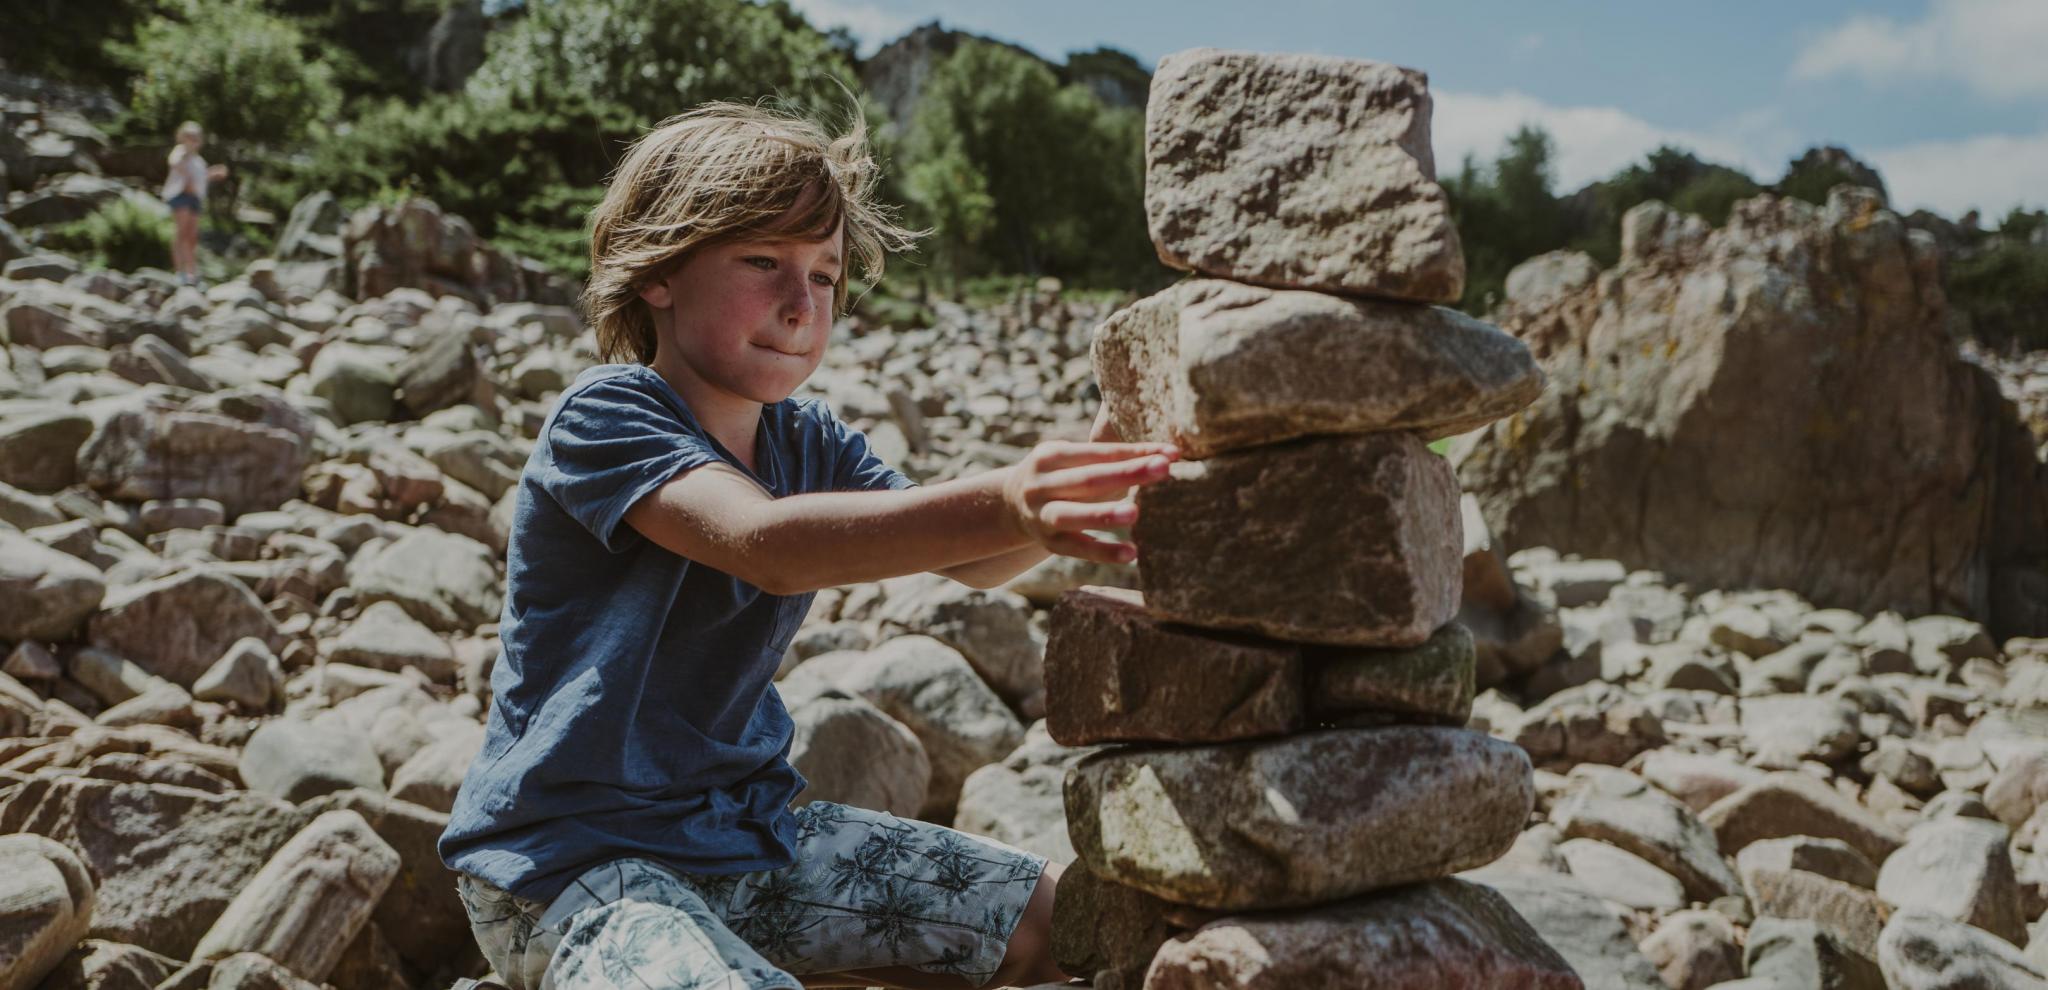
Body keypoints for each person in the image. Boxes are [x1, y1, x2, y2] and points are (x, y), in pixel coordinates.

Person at [437, 101, 1178, 990]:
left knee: (1061, 925)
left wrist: (1103, 458)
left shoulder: (809, 440)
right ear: (658, 273)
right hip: (567, 867)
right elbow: (762, 543)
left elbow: (974, 561)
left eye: (824, 275)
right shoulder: (607, 416)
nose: (800, 304)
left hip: (744, 840)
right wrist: (1014, 497)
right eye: (762, 262)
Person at [162, 121, 227, 287]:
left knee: (192, 238)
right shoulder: (180, 152)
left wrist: (214, 173)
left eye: (196, 137)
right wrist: (188, 177)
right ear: (182, 137)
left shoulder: (199, 160)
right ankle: (180, 272)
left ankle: (192, 273)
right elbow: (174, 163)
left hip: (195, 199)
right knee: (181, 233)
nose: (193, 140)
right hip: (181, 196)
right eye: (189, 136)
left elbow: (201, 177)